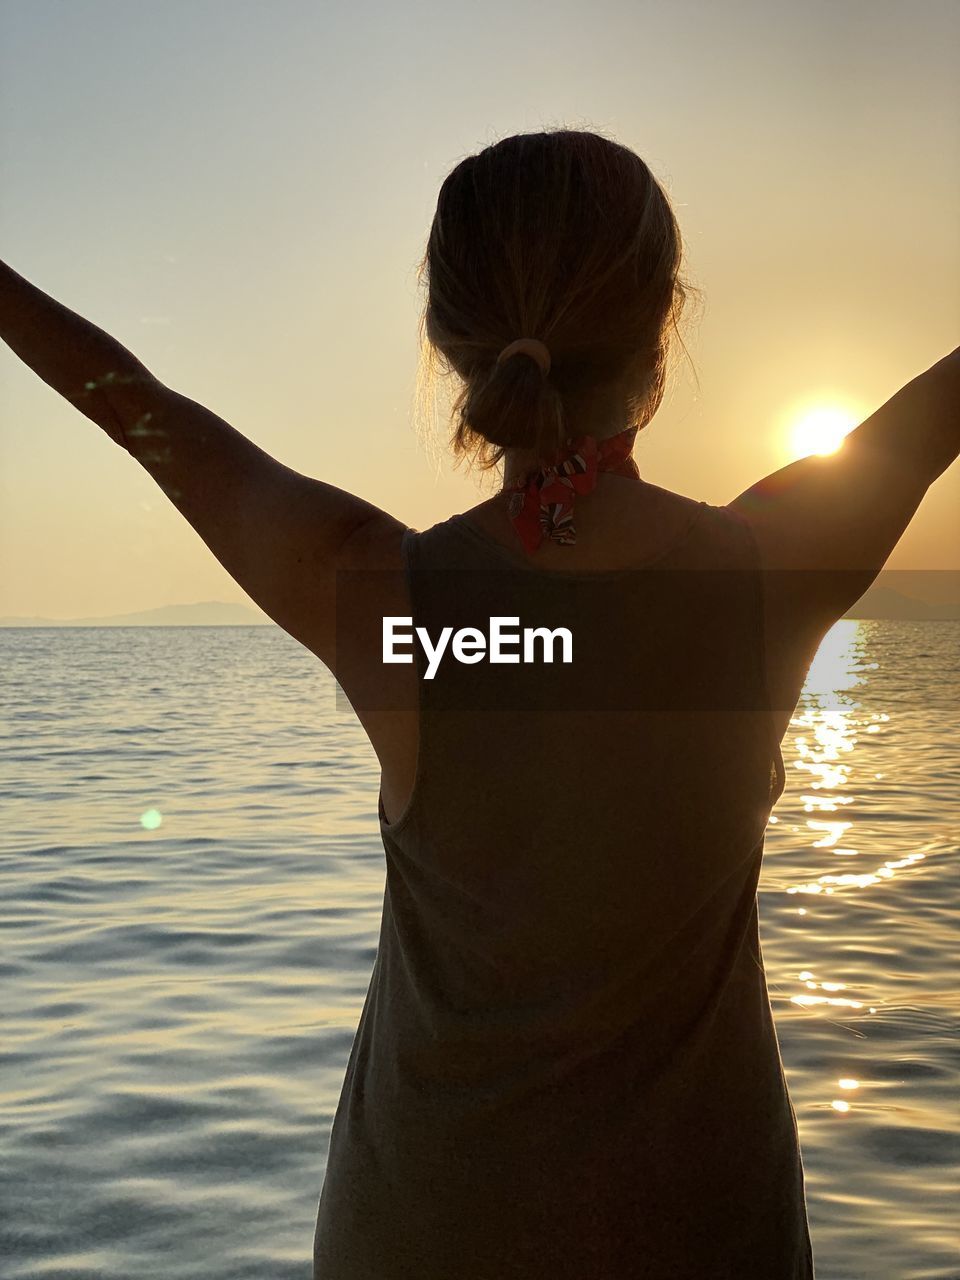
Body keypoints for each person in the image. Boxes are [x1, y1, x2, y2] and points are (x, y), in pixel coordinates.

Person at [1, 128, 956, 1280]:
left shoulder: (380, 591)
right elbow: (936, 406)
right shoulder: (768, 569)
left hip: (421, 1230)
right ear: (663, 326)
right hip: (706, 1229)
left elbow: (134, 406)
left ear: (449, 342)